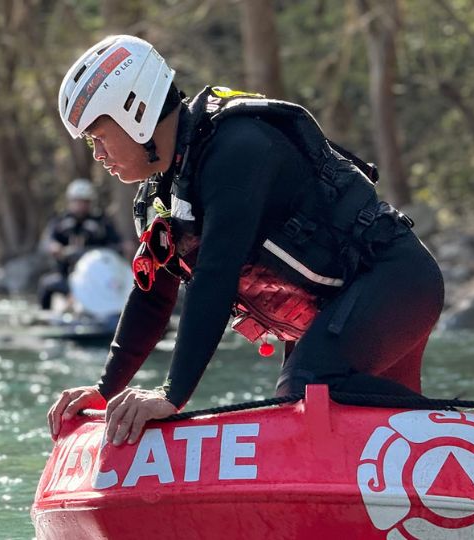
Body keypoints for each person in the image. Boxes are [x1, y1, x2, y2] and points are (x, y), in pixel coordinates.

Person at [47, 35, 444, 445]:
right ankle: (433, 457)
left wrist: (171, 395)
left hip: (396, 283)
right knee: (319, 413)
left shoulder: (238, 148)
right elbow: (152, 297)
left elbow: (215, 276)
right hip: (343, 306)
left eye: (99, 135)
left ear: (136, 111)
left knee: (306, 394)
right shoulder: (160, 195)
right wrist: (105, 389)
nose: (97, 154)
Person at [37, 178, 122, 310]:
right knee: (47, 284)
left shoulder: (102, 222)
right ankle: (46, 316)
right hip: (67, 276)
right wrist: (53, 247)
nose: (81, 205)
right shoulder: (60, 222)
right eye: (77, 201)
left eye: (85, 202)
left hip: (96, 277)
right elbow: (46, 242)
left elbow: (117, 244)